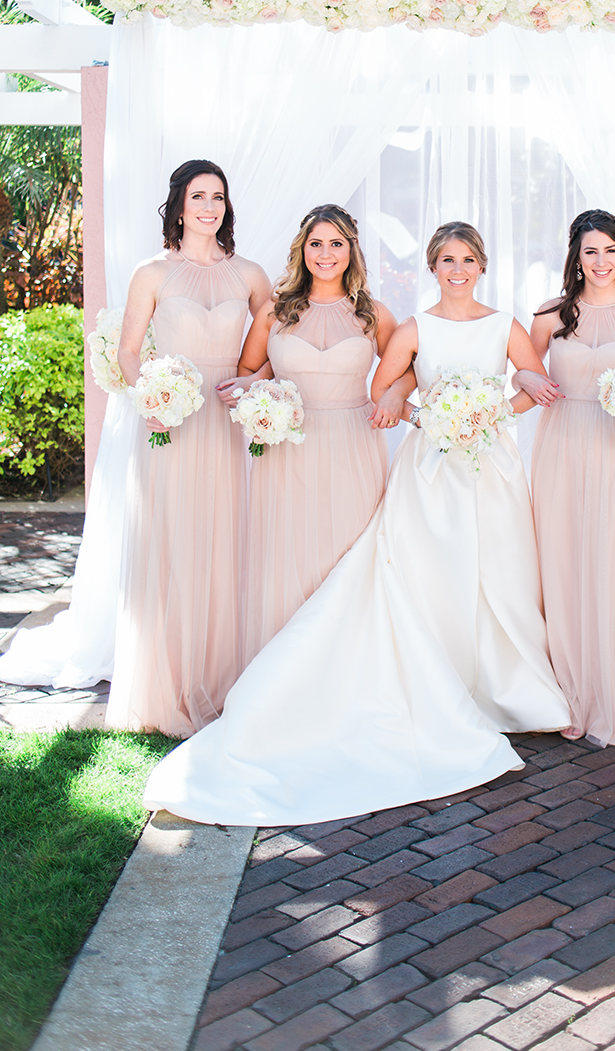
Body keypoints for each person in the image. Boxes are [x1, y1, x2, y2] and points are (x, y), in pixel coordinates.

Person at [141, 221, 569, 826]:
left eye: (467, 259)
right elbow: (375, 386)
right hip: (323, 449)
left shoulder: (391, 316)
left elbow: (507, 381)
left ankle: (504, 685)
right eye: (446, 259)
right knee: (350, 568)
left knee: (497, 574)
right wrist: (403, 408)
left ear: (482, 265)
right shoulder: (317, 315)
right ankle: (288, 685)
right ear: (432, 265)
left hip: (469, 462)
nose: (457, 269)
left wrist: (485, 407)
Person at [105, 160, 271, 737]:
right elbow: (129, 350)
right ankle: (168, 687)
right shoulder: (152, 273)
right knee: (174, 543)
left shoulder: (249, 274)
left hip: (226, 423)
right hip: (171, 425)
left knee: (227, 542)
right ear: (178, 205)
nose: (210, 206)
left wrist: (251, 384)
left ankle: (225, 681)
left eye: (218, 197)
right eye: (198, 196)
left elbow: (272, 349)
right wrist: (148, 393)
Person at [219, 206, 394, 664]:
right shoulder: (275, 313)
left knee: (346, 555)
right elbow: (250, 370)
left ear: (351, 250)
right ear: (302, 249)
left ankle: (347, 666)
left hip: (353, 445)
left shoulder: (373, 314)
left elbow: (405, 368)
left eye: (337, 243)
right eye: (316, 243)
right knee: (287, 556)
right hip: (288, 447)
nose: (326, 253)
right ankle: (284, 668)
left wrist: (394, 399)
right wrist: (256, 388)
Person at [523, 210, 615, 747]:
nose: (601, 261)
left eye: (610, 250)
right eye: (590, 251)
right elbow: (522, 368)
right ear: (575, 258)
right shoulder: (550, 314)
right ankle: (563, 695)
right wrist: (522, 377)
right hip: (560, 441)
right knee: (560, 561)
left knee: (609, 561)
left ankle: (607, 691)